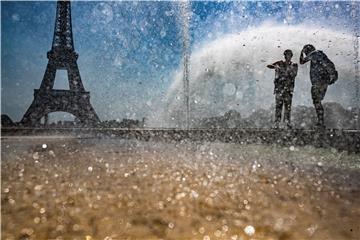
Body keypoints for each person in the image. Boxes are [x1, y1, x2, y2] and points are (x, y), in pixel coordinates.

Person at [300, 44, 338, 129]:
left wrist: (301, 52)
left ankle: (321, 122)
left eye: (306, 51)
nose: (306, 54)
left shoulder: (314, 53)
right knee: (318, 101)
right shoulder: (319, 55)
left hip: (319, 82)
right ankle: (320, 121)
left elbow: (301, 61)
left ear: (308, 50)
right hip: (324, 81)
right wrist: (332, 76)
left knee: (316, 101)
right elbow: (329, 65)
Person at [267, 49, 298, 129]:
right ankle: (277, 123)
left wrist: (283, 70)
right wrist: (276, 66)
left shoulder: (294, 65)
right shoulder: (280, 63)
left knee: (287, 107)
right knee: (278, 107)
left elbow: (294, 74)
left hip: (288, 89)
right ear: (284, 56)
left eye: (289, 55)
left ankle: (287, 123)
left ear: (291, 56)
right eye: (286, 55)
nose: (287, 56)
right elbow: (269, 66)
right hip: (279, 89)